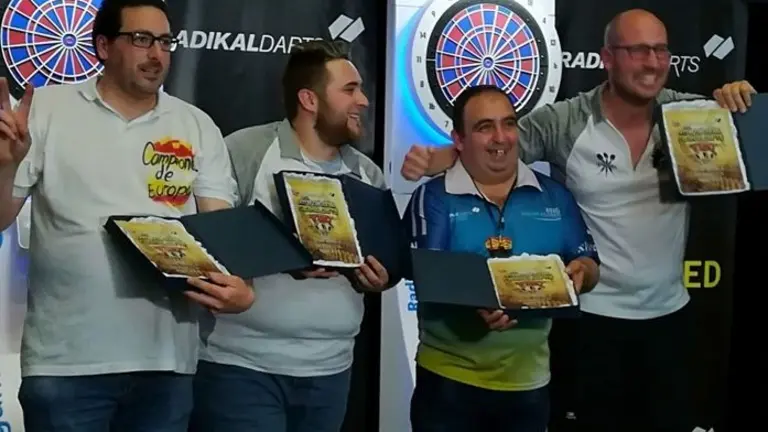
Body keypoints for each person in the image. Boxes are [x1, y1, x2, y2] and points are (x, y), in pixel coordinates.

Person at [400, 9, 755, 432]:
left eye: (661, 50)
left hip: (669, 319)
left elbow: (754, 150)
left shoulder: (690, 116)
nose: (653, 62)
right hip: (591, 323)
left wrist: (742, 104)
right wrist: (439, 157)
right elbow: (499, 145)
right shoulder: (565, 121)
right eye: (638, 50)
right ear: (607, 58)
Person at [0, 0, 255, 430]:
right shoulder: (47, 109)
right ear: (103, 46)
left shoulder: (196, 124)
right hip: (66, 365)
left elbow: (220, 234)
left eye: (165, 42)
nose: (157, 54)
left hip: (167, 365)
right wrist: (6, 165)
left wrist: (241, 289)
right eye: (141, 39)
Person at [189, 40, 396, 432]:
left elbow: (383, 263)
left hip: (332, 370)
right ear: (309, 99)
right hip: (242, 368)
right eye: (350, 89)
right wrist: (286, 256)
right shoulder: (246, 150)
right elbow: (208, 242)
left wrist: (377, 278)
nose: (364, 100)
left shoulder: (368, 174)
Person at [404, 84, 600, 432]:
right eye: (484, 127)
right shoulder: (433, 197)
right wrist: (474, 304)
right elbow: (425, 274)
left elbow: (589, 263)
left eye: (508, 124)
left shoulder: (555, 196)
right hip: (449, 384)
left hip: (529, 386)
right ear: (459, 140)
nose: (501, 137)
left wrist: (581, 272)